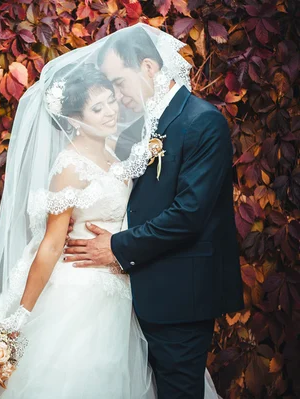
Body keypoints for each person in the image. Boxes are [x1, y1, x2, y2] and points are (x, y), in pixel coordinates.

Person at [0, 24, 223, 399]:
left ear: (146, 68)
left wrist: (120, 248)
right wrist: (19, 317)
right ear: (75, 118)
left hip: (126, 291)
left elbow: (181, 211)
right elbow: (49, 244)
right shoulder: (68, 166)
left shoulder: (126, 145)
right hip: (80, 288)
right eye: (99, 106)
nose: (114, 108)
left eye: (113, 95)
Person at [62, 25, 245, 399]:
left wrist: (117, 246)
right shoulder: (142, 127)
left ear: (148, 67)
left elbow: (188, 215)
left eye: (119, 82)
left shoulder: (201, 122)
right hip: (136, 292)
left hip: (180, 295)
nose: (117, 96)